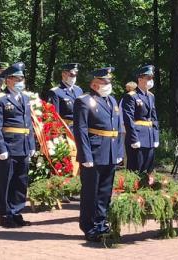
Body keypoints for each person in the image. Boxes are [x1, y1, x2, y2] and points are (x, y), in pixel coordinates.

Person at [74, 67, 124, 241]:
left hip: (109, 153)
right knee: (91, 192)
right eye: (105, 82)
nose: (108, 85)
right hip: (94, 153)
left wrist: (119, 151)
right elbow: (80, 131)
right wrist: (85, 156)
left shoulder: (112, 101)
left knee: (105, 191)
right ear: (94, 84)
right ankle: (89, 226)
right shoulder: (85, 101)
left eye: (109, 82)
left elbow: (118, 129)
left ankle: (101, 222)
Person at [0, 62, 35, 228]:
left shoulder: (25, 98)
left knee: (20, 182)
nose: (21, 81)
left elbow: (28, 124)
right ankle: (5, 215)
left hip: (22, 146)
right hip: (8, 146)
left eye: (22, 78)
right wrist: (0, 148)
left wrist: (31, 145)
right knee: (5, 183)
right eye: (17, 78)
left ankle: (16, 212)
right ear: (8, 80)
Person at [122, 65, 159, 175]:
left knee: (149, 170)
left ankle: (147, 190)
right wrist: (133, 138)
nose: (150, 80)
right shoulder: (131, 96)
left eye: (151, 78)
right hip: (137, 136)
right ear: (140, 79)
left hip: (149, 137)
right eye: (148, 78)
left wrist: (156, 137)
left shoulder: (151, 96)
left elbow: (154, 118)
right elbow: (128, 119)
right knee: (136, 170)